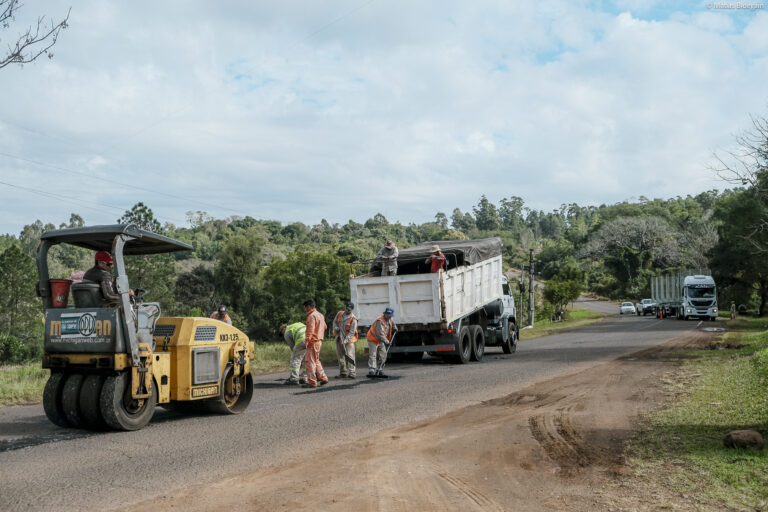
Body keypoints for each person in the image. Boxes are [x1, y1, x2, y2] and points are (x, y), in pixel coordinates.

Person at [303, 299, 329, 388]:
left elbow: (310, 330)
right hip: (319, 341)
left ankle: (312, 382)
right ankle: (323, 378)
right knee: (316, 360)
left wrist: (306, 341)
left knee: (309, 362)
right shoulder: (320, 315)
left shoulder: (311, 316)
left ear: (309, 306)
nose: (305, 309)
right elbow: (325, 327)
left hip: (313, 342)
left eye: (305, 307)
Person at [366, 307, 397, 378]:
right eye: (388, 315)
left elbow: (393, 324)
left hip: (380, 340)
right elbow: (380, 334)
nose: (389, 316)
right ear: (385, 314)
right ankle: (372, 370)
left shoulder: (390, 319)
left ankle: (379, 369)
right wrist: (386, 341)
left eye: (390, 315)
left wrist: (395, 328)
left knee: (383, 355)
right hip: (373, 339)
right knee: (373, 355)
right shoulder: (380, 321)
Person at [332, 302, 358, 379]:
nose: (348, 311)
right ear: (345, 307)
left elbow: (351, 333)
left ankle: (352, 373)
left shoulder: (353, 319)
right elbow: (334, 322)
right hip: (339, 338)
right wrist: (336, 328)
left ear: (352, 310)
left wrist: (345, 341)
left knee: (350, 356)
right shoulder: (339, 314)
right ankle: (343, 372)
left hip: (349, 341)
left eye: (349, 310)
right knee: (340, 356)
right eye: (347, 309)